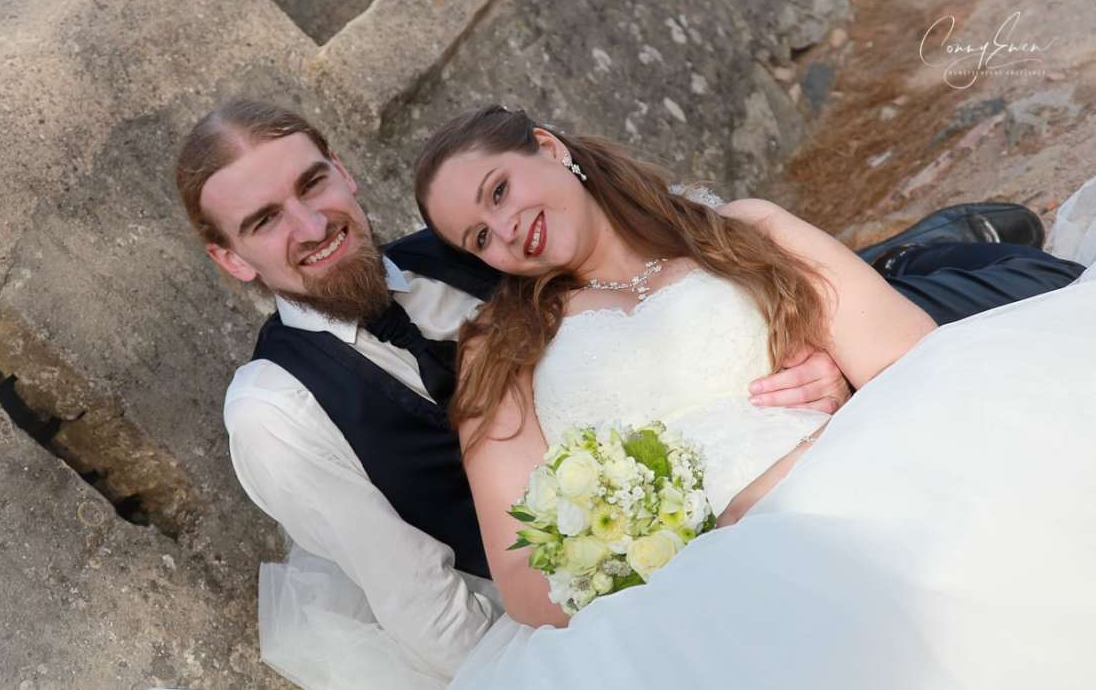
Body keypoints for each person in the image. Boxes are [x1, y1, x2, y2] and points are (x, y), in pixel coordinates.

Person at [174, 100, 1081, 687]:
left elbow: (677, 242)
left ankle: (922, 252)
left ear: (342, 171)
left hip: (818, 409)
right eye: (264, 221)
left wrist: (835, 371)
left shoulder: (454, 243)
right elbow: (430, 608)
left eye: (313, 184)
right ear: (229, 258)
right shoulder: (278, 411)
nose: (310, 224)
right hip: (623, 564)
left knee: (1001, 349)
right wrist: (619, 618)